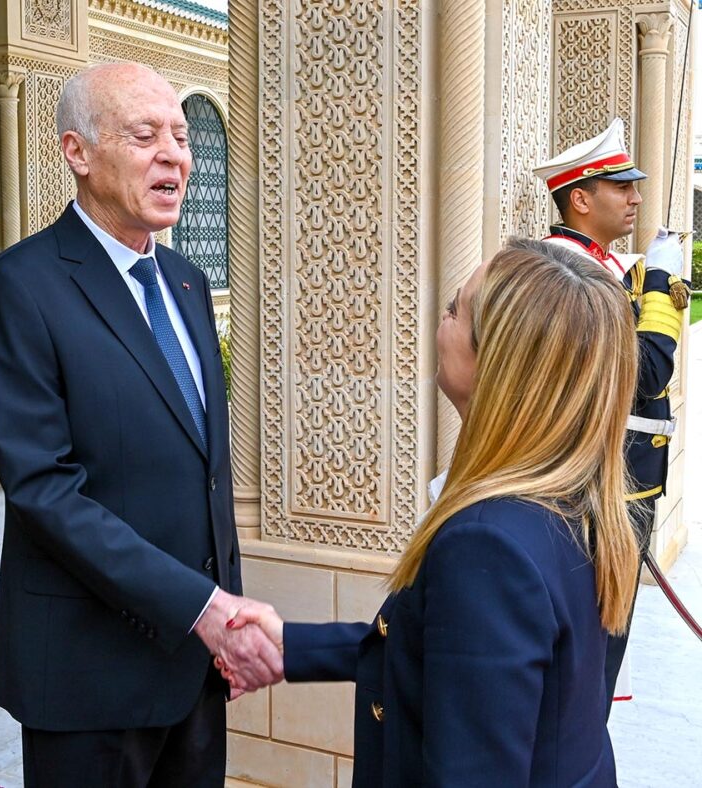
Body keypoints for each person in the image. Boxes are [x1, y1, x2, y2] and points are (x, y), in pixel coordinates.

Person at [0, 62, 281, 787]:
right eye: (146, 135)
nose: (175, 153)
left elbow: (202, 471)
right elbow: (44, 489)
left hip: (195, 665)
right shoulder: (16, 290)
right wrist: (201, 607)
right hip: (88, 674)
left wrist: (221, 627)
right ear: (78, 152)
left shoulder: (187, 283)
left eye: (181, 134)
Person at [222, 239, 642, 786]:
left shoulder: (489, 546)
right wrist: (292, 646)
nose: (440, 324)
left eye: (454, 311)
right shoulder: (572, 502)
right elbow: (445, 650)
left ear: (494, 362)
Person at [534, 118, 690, 707]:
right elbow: (646, 374)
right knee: (585, 680)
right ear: (580, 198)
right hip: (596, 501)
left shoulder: (599, 267)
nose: (637, 197)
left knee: (599, 665)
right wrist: (660, 285)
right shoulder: (568, 271)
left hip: (620, 495)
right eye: (621, 187)